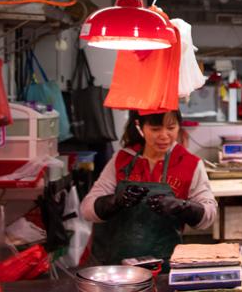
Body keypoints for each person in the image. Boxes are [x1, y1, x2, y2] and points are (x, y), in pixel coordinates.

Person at [81, 110, 217, 268]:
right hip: (118, 268)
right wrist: (115, 201)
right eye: (155, 129)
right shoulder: (122, 159)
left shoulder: (190, 164)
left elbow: (209, 215)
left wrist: (182, 207)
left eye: (171, 128)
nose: (164, 136)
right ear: (140, 126)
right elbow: (87, 209)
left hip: (165, 265)